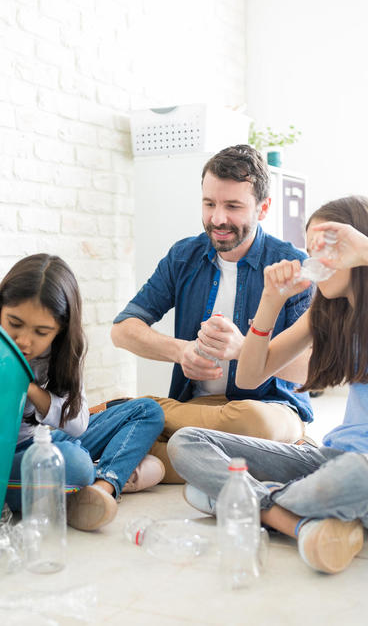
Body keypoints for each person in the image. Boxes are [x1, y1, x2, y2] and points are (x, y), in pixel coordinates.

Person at [167, 195, 368, 574]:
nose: (312, 263)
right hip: (331, 461)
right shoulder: (328, 312)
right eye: (309, 251)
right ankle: (295, 520)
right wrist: (271, 301)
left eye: (326, 251)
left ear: (361, 250)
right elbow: (249, 376)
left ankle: (243, 502)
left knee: (356, 475)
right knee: (187, 441)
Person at [111, 144, 315, 483]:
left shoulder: (291, 265)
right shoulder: (183, 257)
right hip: (198, 409)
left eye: (232, 206)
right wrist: (181, 350)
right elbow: (122, 329)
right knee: (235, 445)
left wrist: (246, 350)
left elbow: (312, 368)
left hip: (269, 411)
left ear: (263, 208)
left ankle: (139, 421)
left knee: (255, 424)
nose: (217, 219)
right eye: (209, 204)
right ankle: (155, 454)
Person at [0, 253, 167, 531]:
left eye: (42, 331)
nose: (25, 341)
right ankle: (99, 478)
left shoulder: (61, 352)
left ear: (59, 330)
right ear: (0, 307)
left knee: (147, 410)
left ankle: (99, 487)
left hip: (39, 441)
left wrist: (28, 388)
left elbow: (78, 424)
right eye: (14, 323)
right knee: (76, 464)